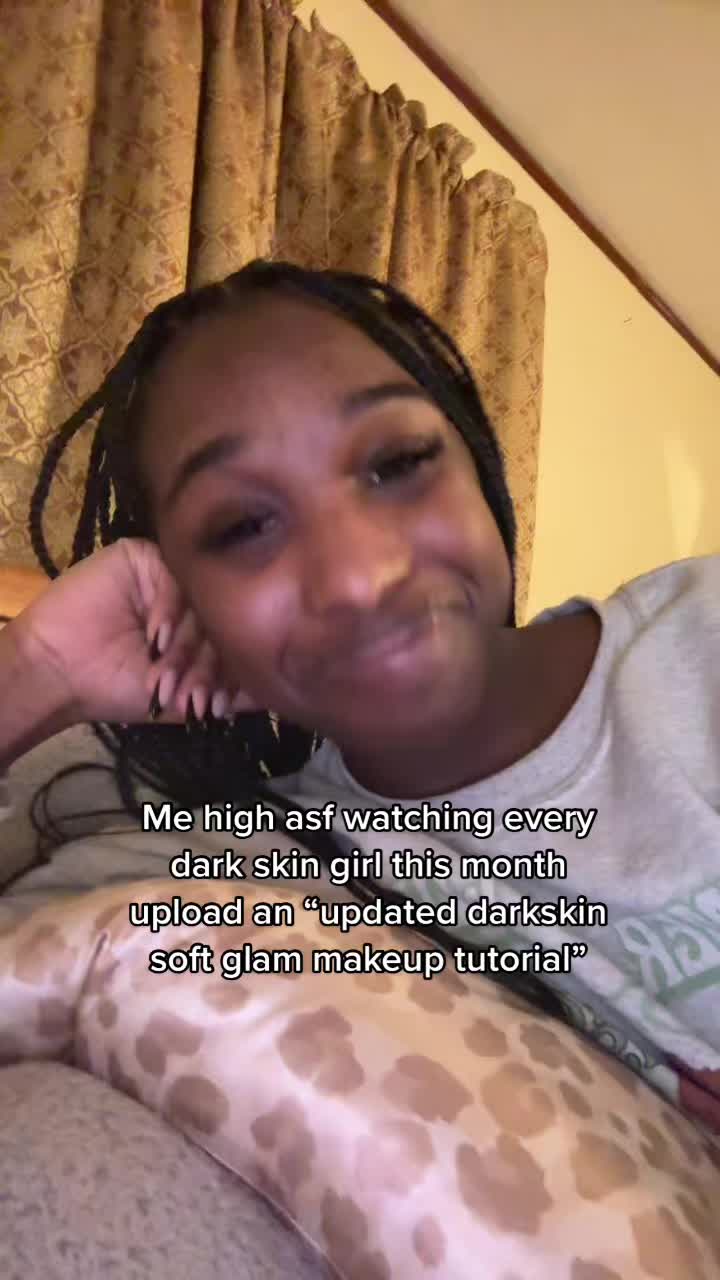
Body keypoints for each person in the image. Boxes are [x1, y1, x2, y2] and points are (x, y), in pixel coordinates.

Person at [1, 260, 719, 1134]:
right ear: (186, 602)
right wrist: (36, 671)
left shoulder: (702, 638)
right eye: (242, 526)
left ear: (474, 457)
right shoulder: (251, 863)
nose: (358, 575)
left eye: (398, 462)